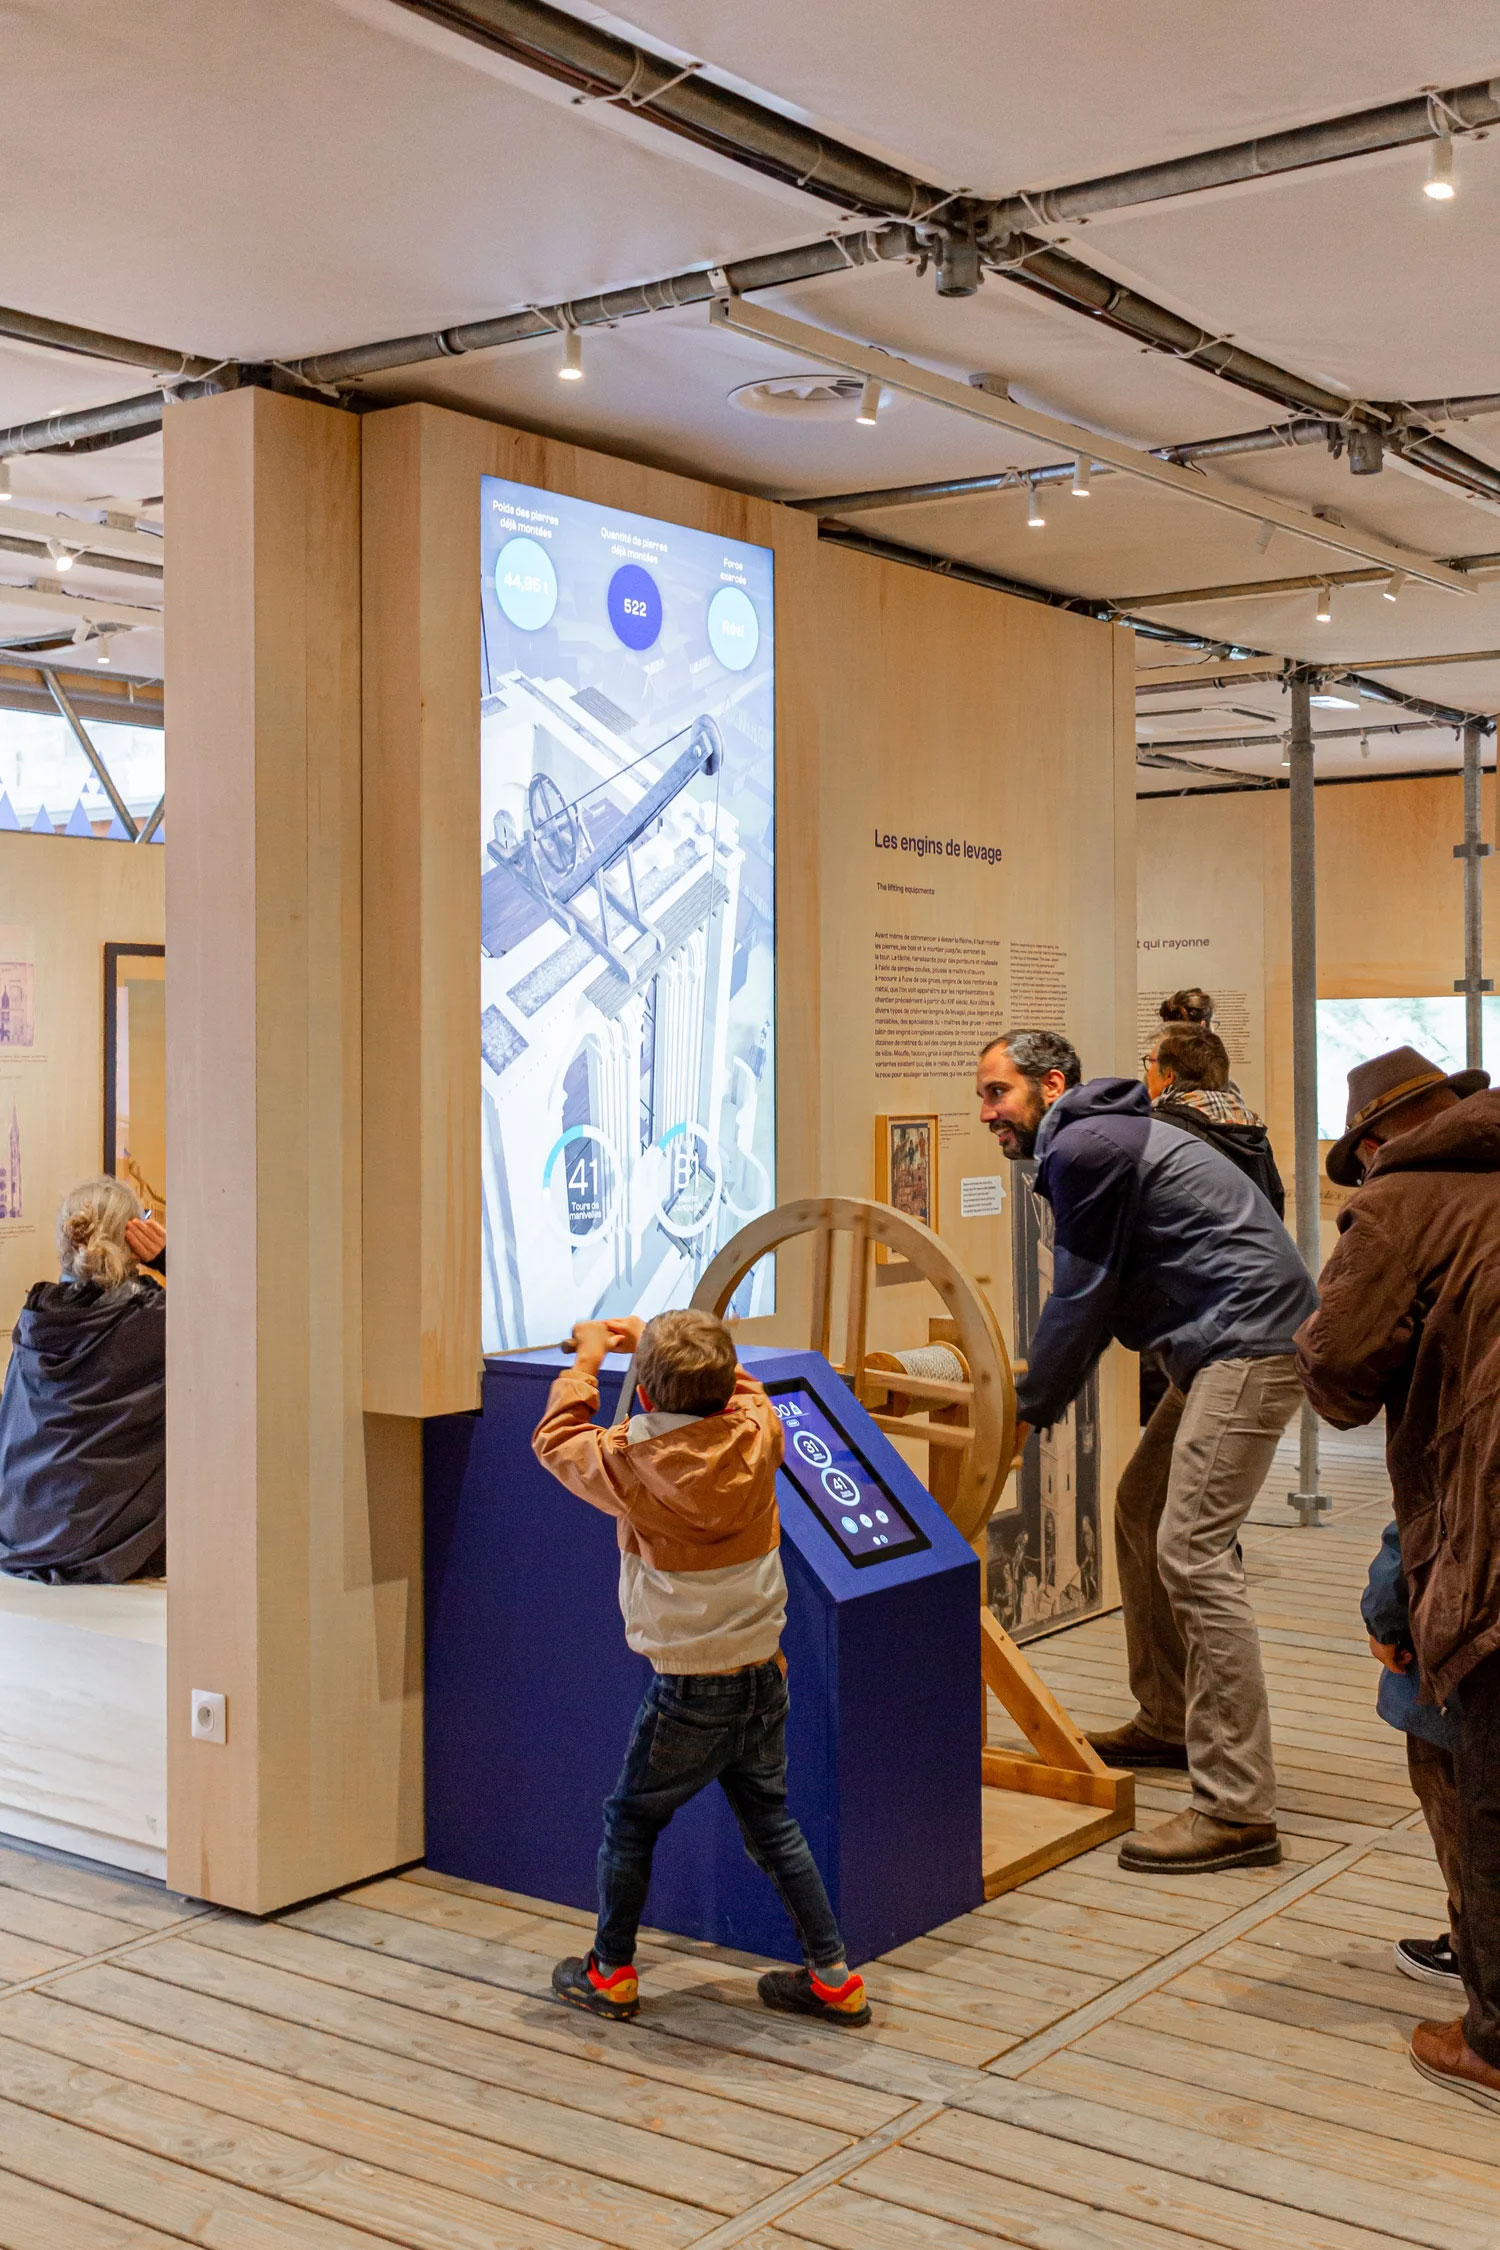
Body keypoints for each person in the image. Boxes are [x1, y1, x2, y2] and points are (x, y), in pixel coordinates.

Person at [976, 1028, 1317, 1873]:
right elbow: (1098, 1298)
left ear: (1052, 1085)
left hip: (1249, 1343)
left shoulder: (1085, 1147)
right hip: (1227, 1341)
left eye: (998, 1092)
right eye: (983, 1095)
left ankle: (1237, 1808)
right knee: (1141, 1506)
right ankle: (1168, 1720)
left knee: (1193, 1553)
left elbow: (1081, 1298)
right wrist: (1037, 1401)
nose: (986, 1112)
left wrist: (1026, 1412)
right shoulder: (1104, 1135)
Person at [531, 1307, 870, 2027]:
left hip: (688, 1688)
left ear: (645, 1395)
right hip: (764, 1673)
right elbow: (744, 1387)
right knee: (772, 1823)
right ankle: (834, 1978)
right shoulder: (761, 1431)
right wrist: (664, 1341)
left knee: (630, 1821)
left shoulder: (628, 1462)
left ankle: (611, 1973)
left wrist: (589, 1358)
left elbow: (556, 1439)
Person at [1295, 1043, 1500, 2108]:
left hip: (1484, 1524)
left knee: (1475, 1774)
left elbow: (1337, 1374)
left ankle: (1493, 2036)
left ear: (1374, 1141)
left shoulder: (1397, 1202)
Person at [0, 1178, 166, 1582]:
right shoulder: (156, 1321)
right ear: (136, 1239)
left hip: (22, 1533)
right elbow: (246, 1318)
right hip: (108, 1546)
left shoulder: (35, 1320)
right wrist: (170, 1260)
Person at [1361, 1519, 1462, 1993]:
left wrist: (1383, 1620)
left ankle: (1473, 1948)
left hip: (1456, 1663)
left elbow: (1419, 1522)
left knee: (1457, 1809)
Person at [1144, 1023, 1284, 1217]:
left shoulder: (1159, 1130)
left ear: (1169, 1076)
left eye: (1150, 1062)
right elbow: (1275, 1205)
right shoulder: (1253, 1131)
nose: (1147, 1072)